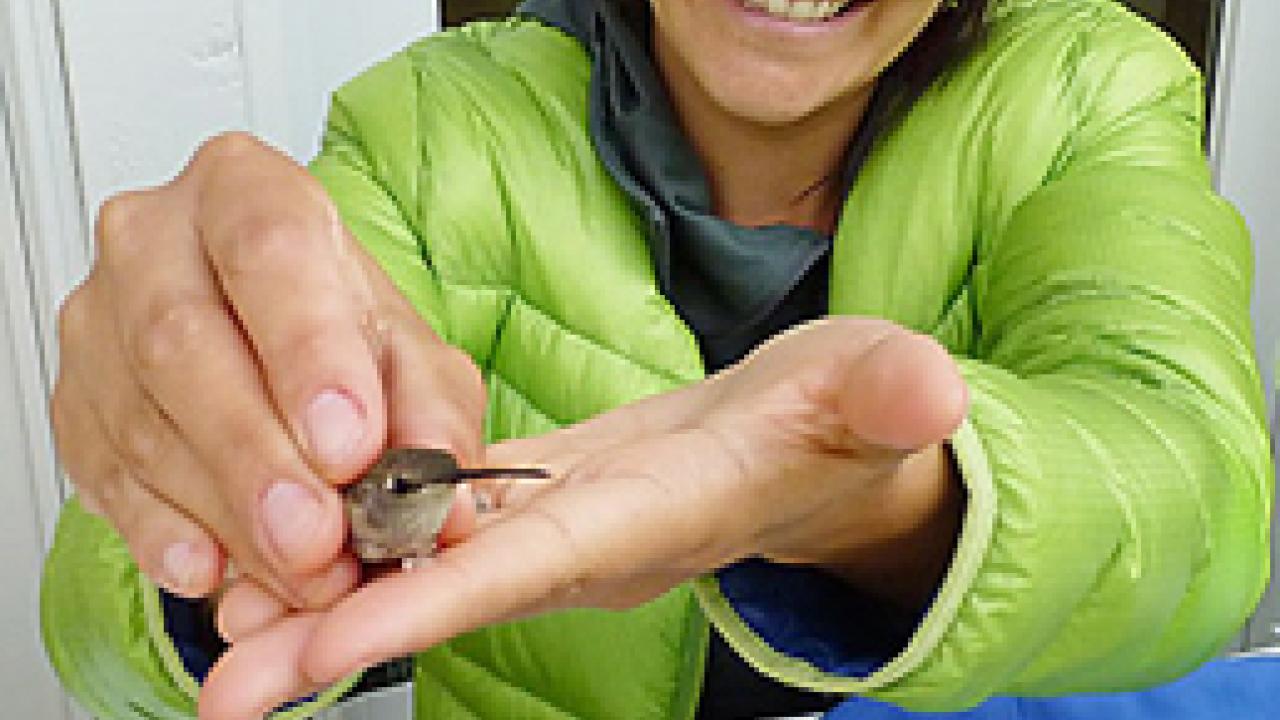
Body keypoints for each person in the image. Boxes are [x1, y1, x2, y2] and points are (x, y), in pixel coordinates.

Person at [40, 0, 1272, 718]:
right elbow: (97, 624)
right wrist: (202, 486)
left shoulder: (1083, 91)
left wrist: (897, 505)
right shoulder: (424, 133)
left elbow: (1192, 497)